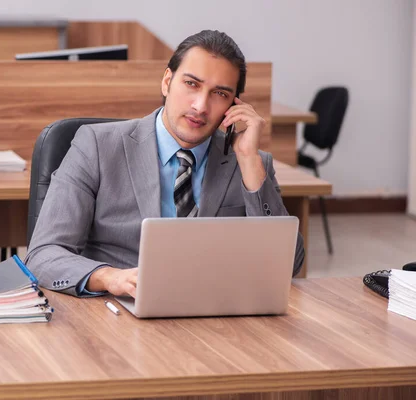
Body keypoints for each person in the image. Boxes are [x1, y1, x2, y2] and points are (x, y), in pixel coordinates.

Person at [24, 29, 305, 298]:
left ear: (233, 105)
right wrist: (110, 278)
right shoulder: (97, 146)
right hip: (117, 314)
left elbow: (288, 265)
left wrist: (249, 163)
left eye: (219, 94)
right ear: (167, 82)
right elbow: (44, 253)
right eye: (191, 84)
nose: (200, 106)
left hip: (215, 318)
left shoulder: (251, 164)